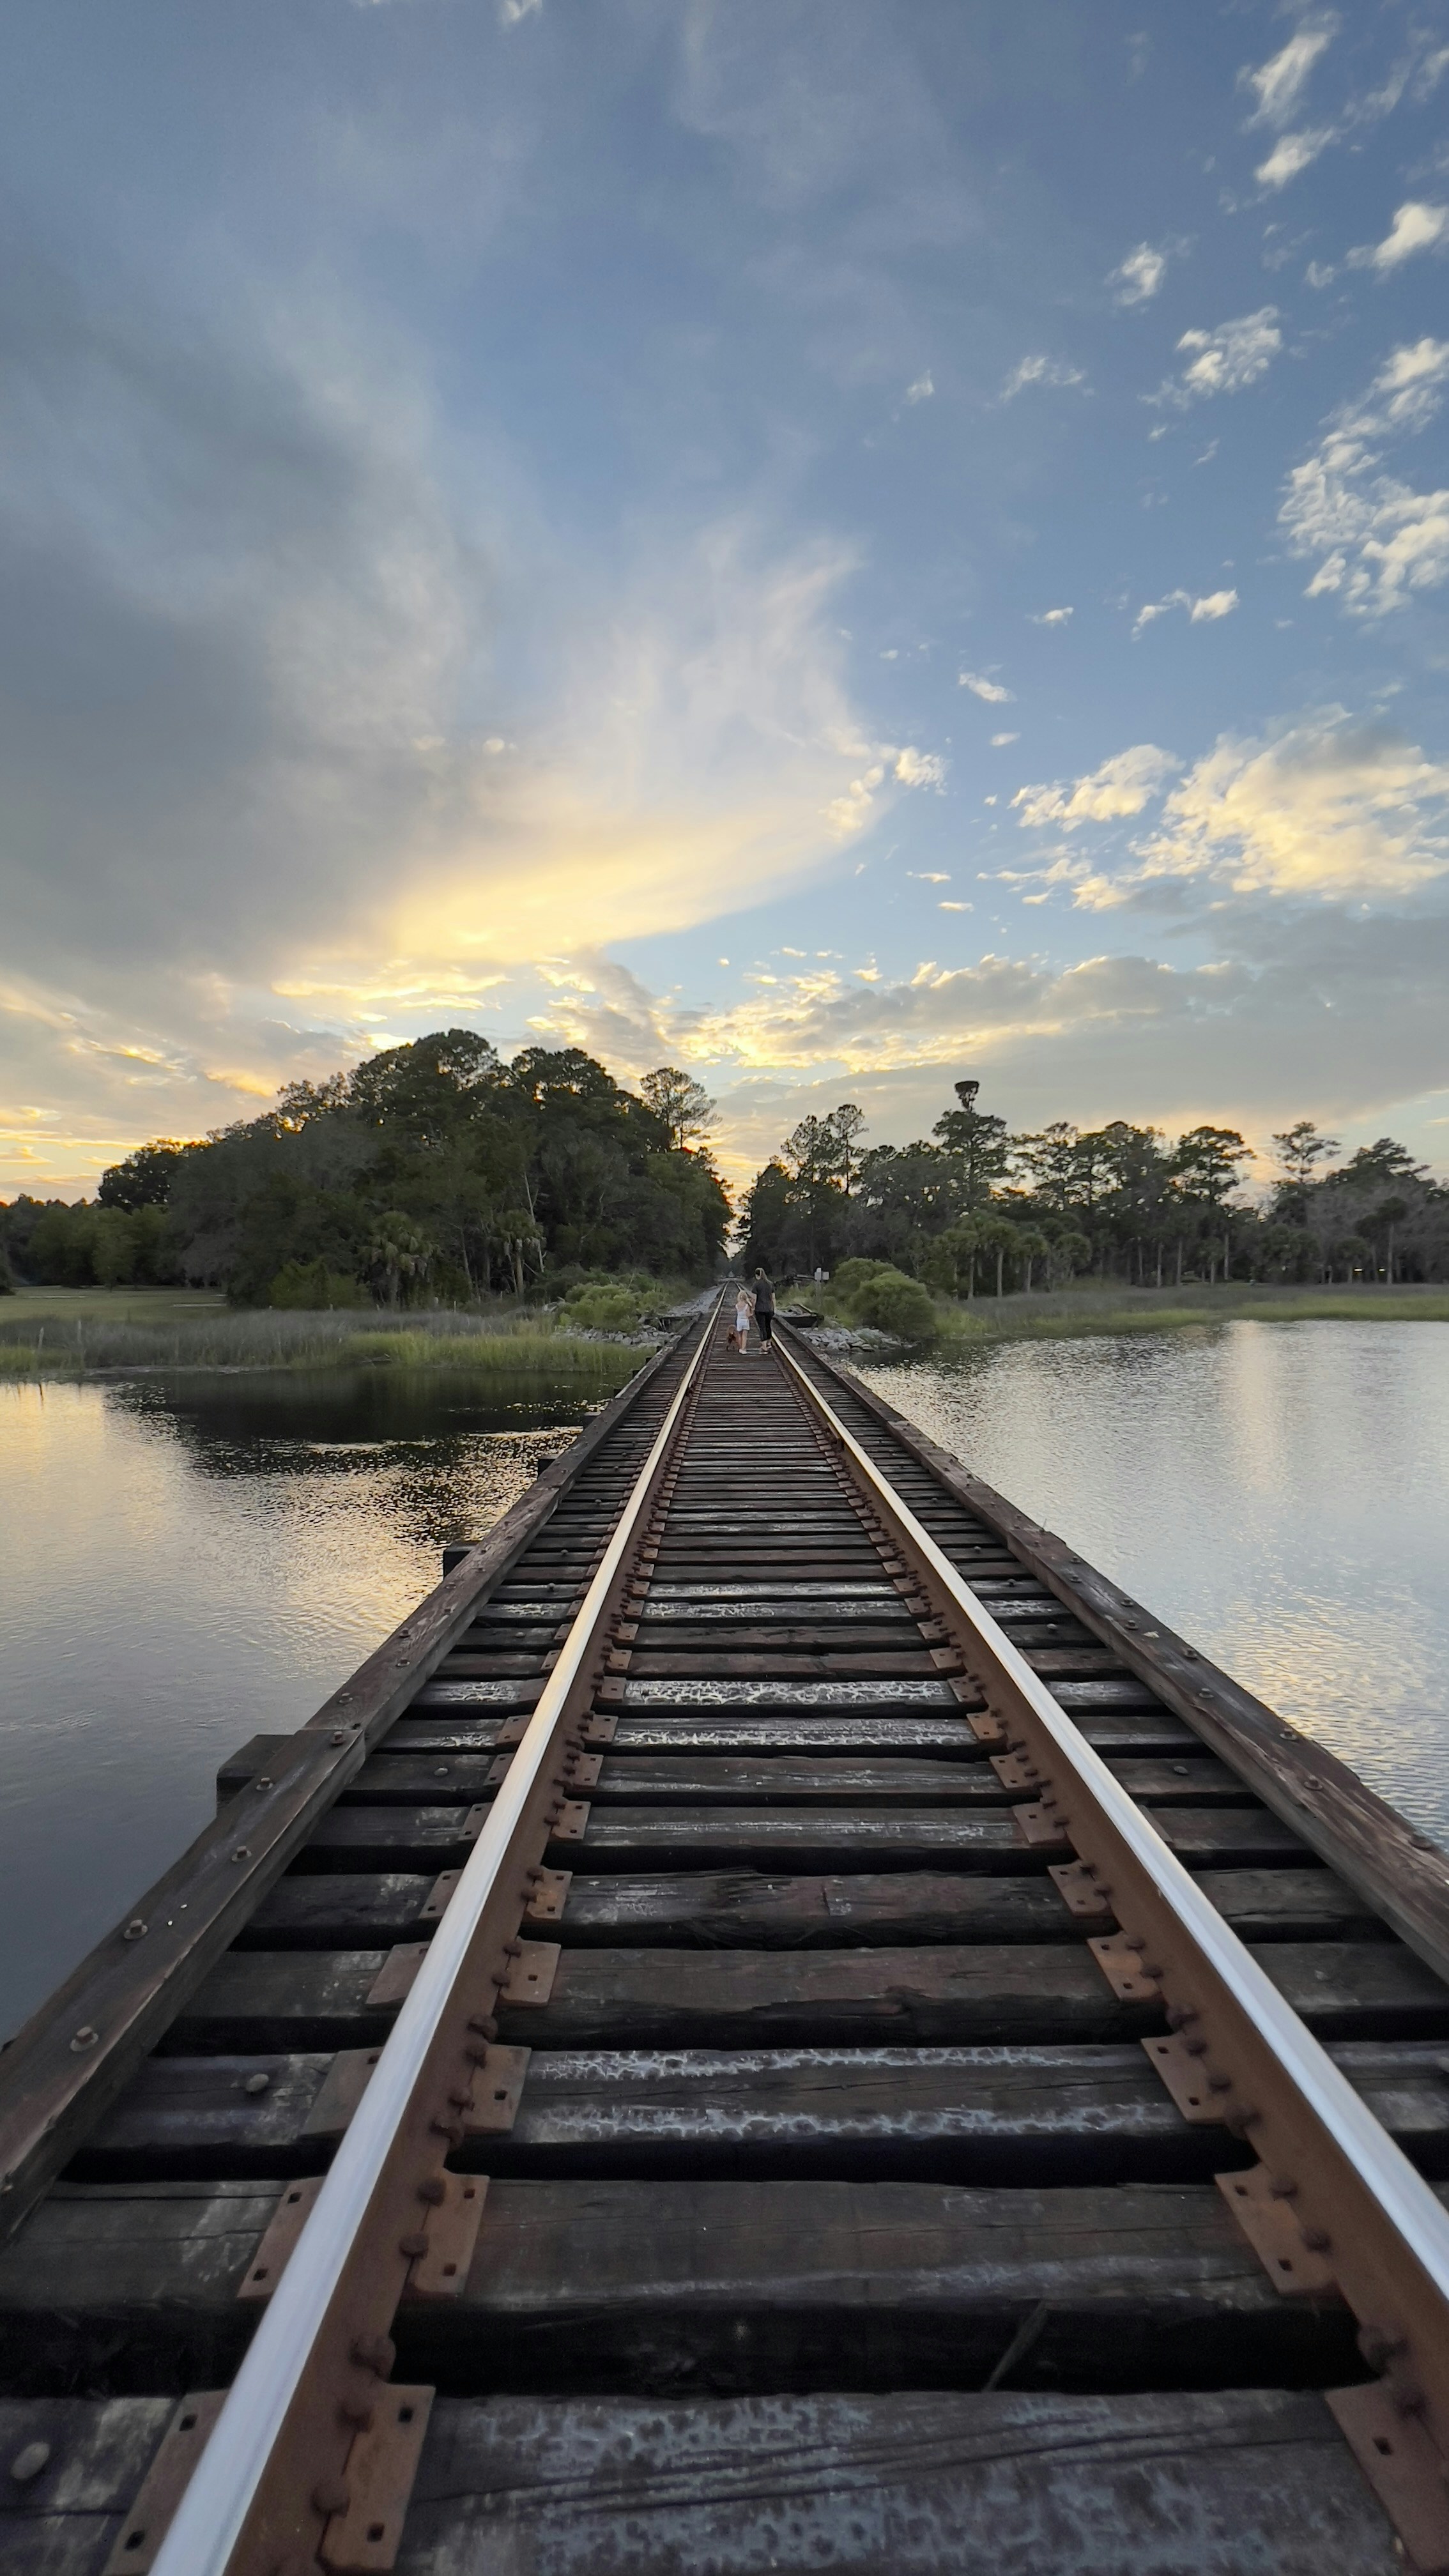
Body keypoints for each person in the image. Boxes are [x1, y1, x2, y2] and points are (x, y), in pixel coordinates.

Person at [753, 1267, 776, 1353]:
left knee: (762, 1328)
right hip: (769, 1309)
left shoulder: (756, 1285)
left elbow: (755, 1299)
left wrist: (752, 1308)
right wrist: (774, 1308)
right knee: (768, 1326)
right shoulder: (770, 1284)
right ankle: (769, 1343)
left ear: (757, 1275)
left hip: (760, 1309)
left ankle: (764, 1346)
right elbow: (773, 1298)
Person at [733, 1280, 754, 1355]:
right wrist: (752, 1313)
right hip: (745, 1321)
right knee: (744, 1336)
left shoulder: (737, 1305)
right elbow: (748, 1315)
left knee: (740, 1335)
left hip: (739, 1321)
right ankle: (743, 1349)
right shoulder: (746, 1305)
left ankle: (740, 1348)